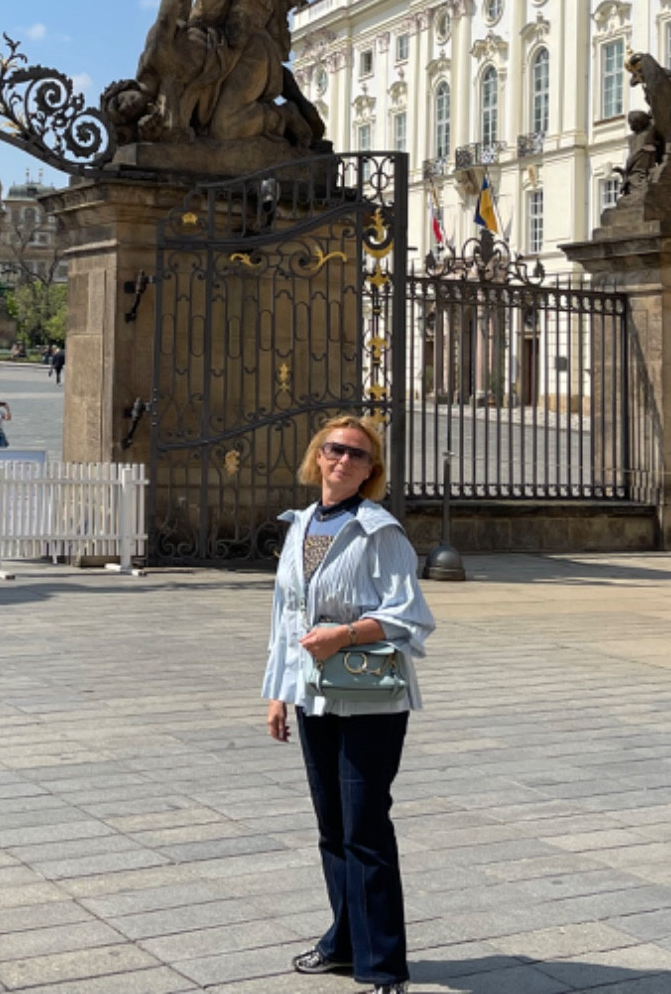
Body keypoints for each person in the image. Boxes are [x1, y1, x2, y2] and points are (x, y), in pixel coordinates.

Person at [263, 416, 433, 993]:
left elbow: (409, 616)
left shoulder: (379, 530)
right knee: (332, 827)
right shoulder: (302, 523)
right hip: (313, 697)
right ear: (317, 456)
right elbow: (285, 620)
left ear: (371, 471)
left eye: (358, 456)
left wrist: (345, 634)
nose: (344, 460)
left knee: (365, 828)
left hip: (371, 704)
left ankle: (384, 966)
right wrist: (277, 693)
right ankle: (343, 942)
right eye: (335, 449)